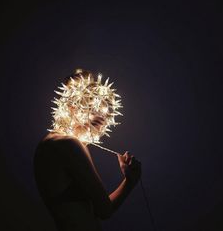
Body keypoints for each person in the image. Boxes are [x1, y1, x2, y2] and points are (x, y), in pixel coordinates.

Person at [33, 69, 142, 231]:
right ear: (71, 105)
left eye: (105, 105)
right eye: (91, 102)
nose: (102, 114)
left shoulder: (52, 143)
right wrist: (130, 182)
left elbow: (96, 211)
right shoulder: (68, 144)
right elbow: (105, 210)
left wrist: (129, 181)